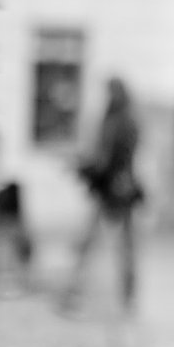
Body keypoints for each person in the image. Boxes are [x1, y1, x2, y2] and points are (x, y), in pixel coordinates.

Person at [59, 76, 143, 313]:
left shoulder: (120, 122)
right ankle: (124, 296)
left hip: (113, 188)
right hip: (115, 187)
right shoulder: (124, 120)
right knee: (118, 244)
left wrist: (85, 168)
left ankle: (78, 291)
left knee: (99, 243)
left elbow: (107, 159)